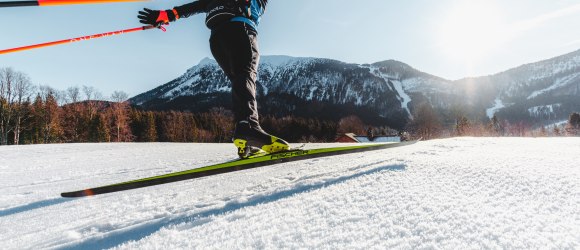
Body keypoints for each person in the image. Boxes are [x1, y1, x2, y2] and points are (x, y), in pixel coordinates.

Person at [137, 0, 289, 158]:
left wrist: (168, 14)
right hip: (240, 29)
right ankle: (248, 127)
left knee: (240, 81)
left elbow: (198, 5)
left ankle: (246, 138)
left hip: (218, 39)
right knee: (245, 76)